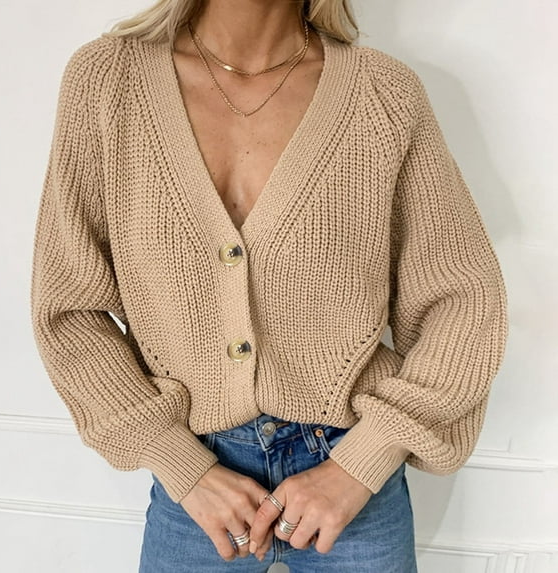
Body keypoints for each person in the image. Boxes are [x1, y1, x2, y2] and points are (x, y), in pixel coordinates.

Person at [30, 0, 509, 571]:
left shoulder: (383, 95)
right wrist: (182, 464)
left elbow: (462, 297)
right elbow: (69, 306)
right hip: (196, 481)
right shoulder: (108, 81)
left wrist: (363, 462)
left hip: (350, 475)